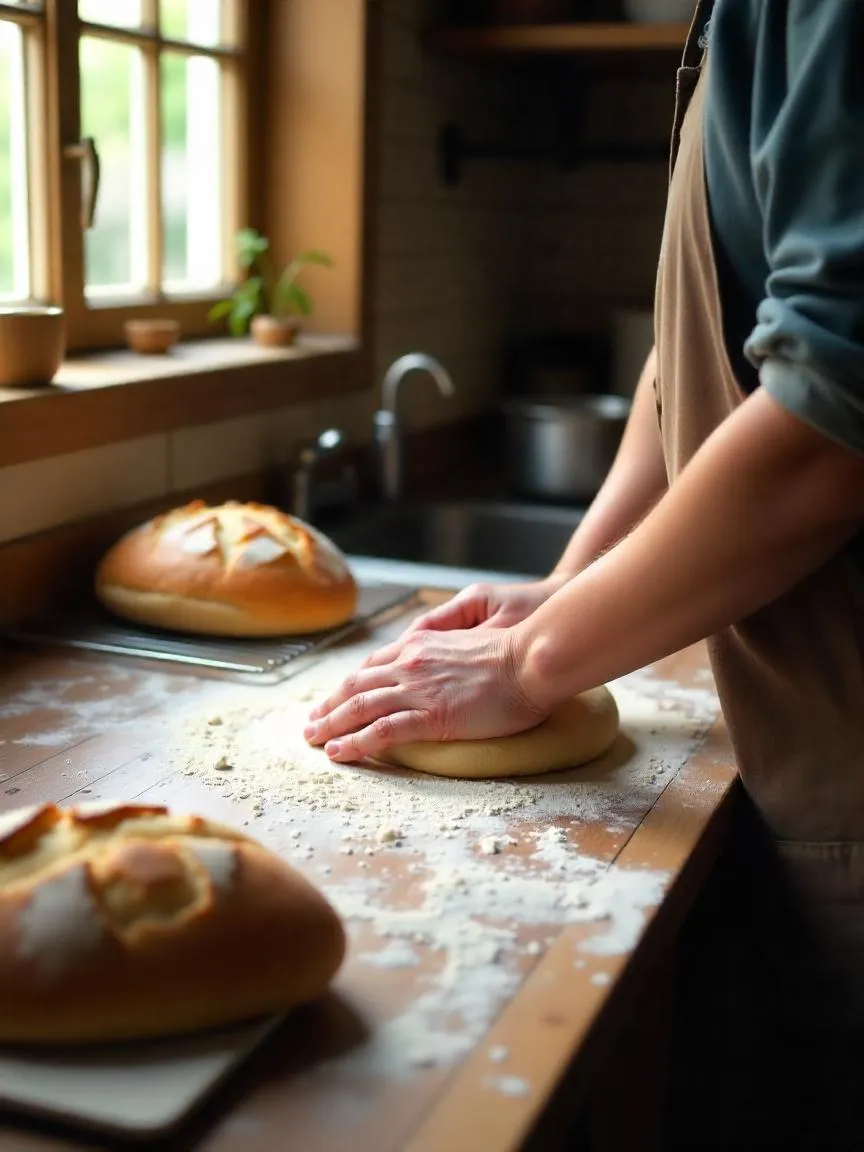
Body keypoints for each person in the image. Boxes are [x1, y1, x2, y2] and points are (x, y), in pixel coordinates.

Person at [308, 2, 864, 1141]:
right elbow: (694, 352)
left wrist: (531, 659)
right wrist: (567, 593)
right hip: (801, 760)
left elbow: (830, 412)